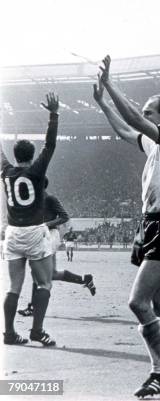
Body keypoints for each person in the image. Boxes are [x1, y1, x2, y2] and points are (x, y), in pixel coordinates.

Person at [94, 55, 160, 397]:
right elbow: (126, 129)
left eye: (150, 112)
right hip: (153, 224)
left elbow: (133, 119)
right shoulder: (155, 146)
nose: (145, 115)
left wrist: (110, 84)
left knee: (138, 303)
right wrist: (102, 103)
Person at [1, 93, 60, 347]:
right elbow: (50, 145)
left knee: (13, 286)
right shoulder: (36, 171)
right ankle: (37, 330)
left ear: (14, 155)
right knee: (44, 283)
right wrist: (53, 116)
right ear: (31, 154)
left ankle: (9, 333)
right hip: (35, 231)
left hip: (12, 233)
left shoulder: (6, 171)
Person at [18, 179, 96, 317]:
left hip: (51, 236)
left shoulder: (50, 199)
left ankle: (33, 307)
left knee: (37, 272)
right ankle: (85, 279)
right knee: (51, 274)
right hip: (41, 236)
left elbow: (65, 216)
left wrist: (46, 224)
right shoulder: (35, 202)